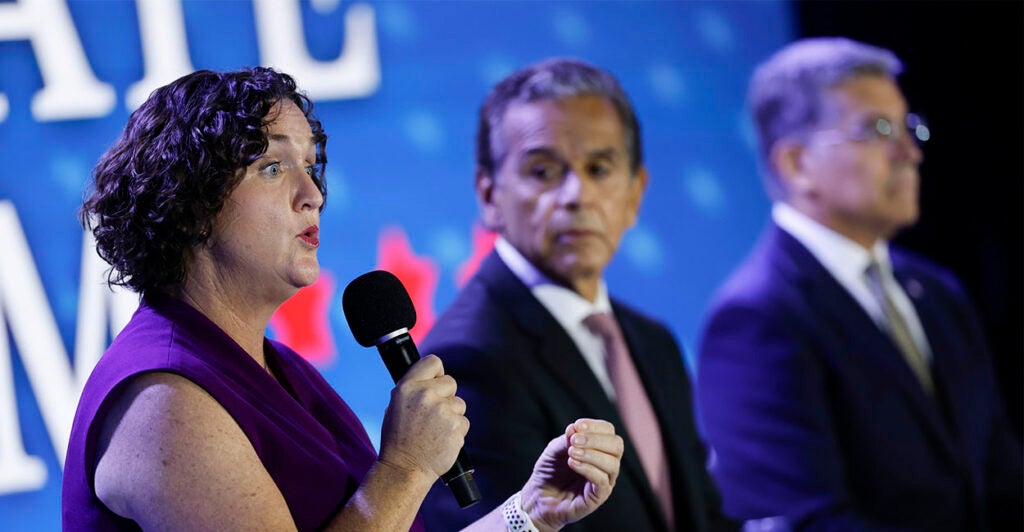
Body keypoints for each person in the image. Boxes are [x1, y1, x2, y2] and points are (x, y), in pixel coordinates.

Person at [61, 66, 626, 531]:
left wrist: (528, 512)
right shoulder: (163, 403)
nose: (312, 196)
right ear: (190, 205)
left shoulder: (276, 369)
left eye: (311, 167)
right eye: (273, 166)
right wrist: (405, 467)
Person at [696, 37, 1023, 531]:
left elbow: (1001, 477)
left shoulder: (937, 293)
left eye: (908, 126)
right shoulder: (757, 316)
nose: (910, 152)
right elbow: (804, 522)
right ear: (797, 163)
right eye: (877, 129)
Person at [420, 58, 737, 532]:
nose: (576, 194)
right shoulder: (469, 357)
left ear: (634, 193)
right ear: (488, 195)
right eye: (544, 170)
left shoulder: (651, 341)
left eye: (599, 168)